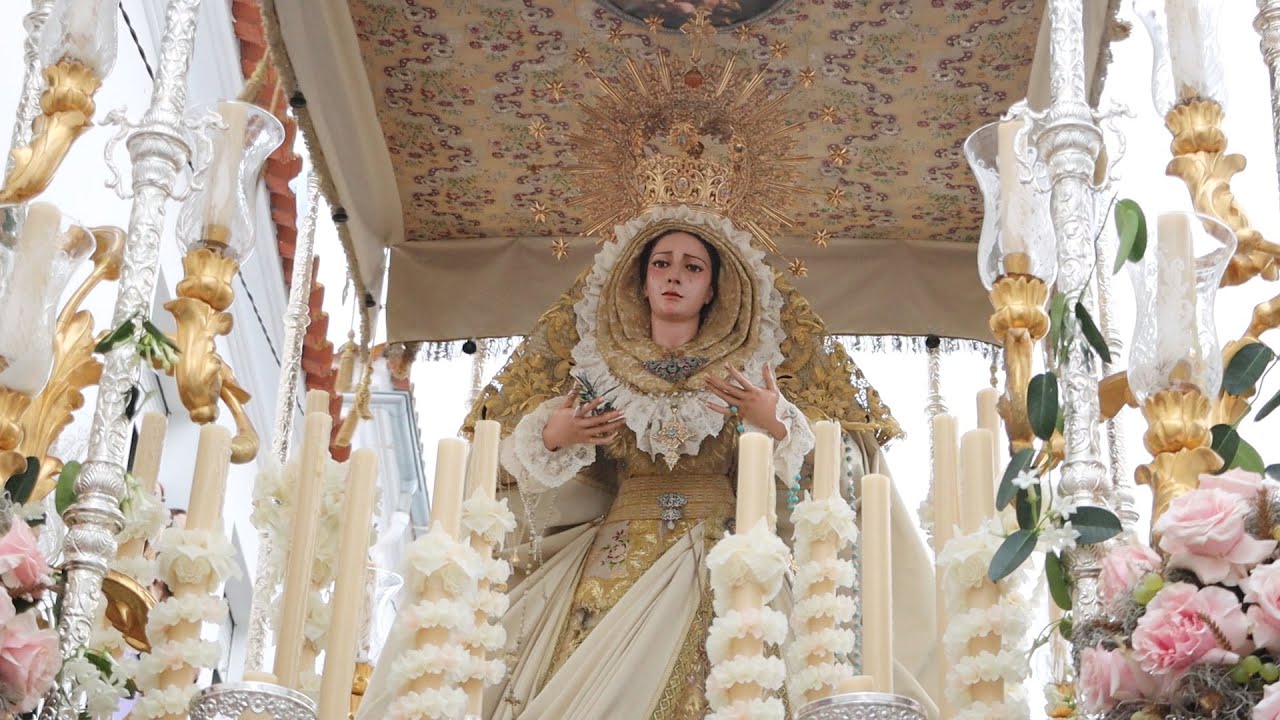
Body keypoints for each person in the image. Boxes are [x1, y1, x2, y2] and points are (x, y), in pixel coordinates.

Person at [358, 205, 940, 719]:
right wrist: (556, 436)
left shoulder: (750, 376)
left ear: (714, 288)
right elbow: (505, 470)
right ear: (640, 279)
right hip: (612, 558)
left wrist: (777, 422)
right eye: (662, 264)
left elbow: (836, 477)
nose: (675, 277)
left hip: (725, 555)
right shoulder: (595, 369)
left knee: (741, 678)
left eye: (693, 267)